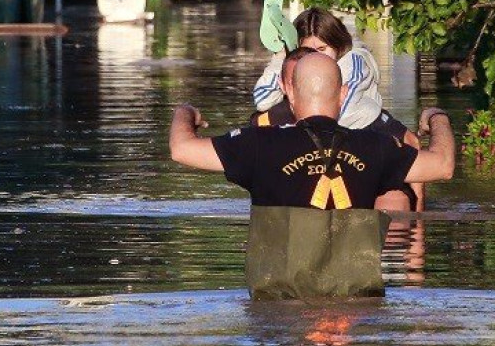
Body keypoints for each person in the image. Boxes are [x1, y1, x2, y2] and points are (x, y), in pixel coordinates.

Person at [171, 53, 456, 298]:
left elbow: (181, 149)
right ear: (343, 95)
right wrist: (436, 116)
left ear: (291, 94)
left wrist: (185, 112)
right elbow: (442, 165)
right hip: (356, 307)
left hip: (279, 311)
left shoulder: (258, 144)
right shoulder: (375, 146)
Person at [250, 7, 429, 208]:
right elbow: (263, 99)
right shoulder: (297, 64)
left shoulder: (354, 61)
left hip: (366, 131)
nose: (316, 59)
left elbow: (339, 111)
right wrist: (280, 58)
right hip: (323, 145)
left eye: (322, 50)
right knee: (261, 120)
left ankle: (416, 215)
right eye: (308, 52)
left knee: (402, 175)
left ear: (337, 45)